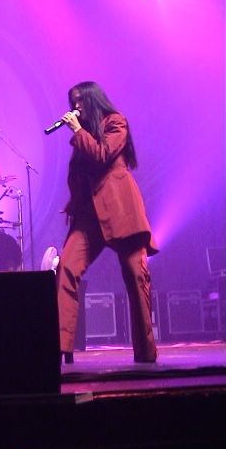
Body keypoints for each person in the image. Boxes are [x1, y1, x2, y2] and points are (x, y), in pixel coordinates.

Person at [56, 81, 158, 364]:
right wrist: (74, 204)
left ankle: (146, 355)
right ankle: (61, 348)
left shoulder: (116, 122)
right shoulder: (84, 134)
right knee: (66, 268)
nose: (76, 107)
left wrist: (78, 131)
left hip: (121, 212)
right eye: (72, 102)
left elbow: (102, 155)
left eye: (80, 100)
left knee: (136, 278)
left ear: (93, 99)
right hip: (89, 218)